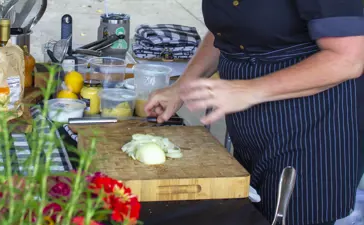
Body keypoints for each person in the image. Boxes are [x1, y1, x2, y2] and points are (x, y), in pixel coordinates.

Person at [144, 1, 364, 225]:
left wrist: (251, 90)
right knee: (247, 213)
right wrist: (182, 87)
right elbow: (229, 29)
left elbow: (347, 59)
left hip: (312, 127)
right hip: (251, 124)